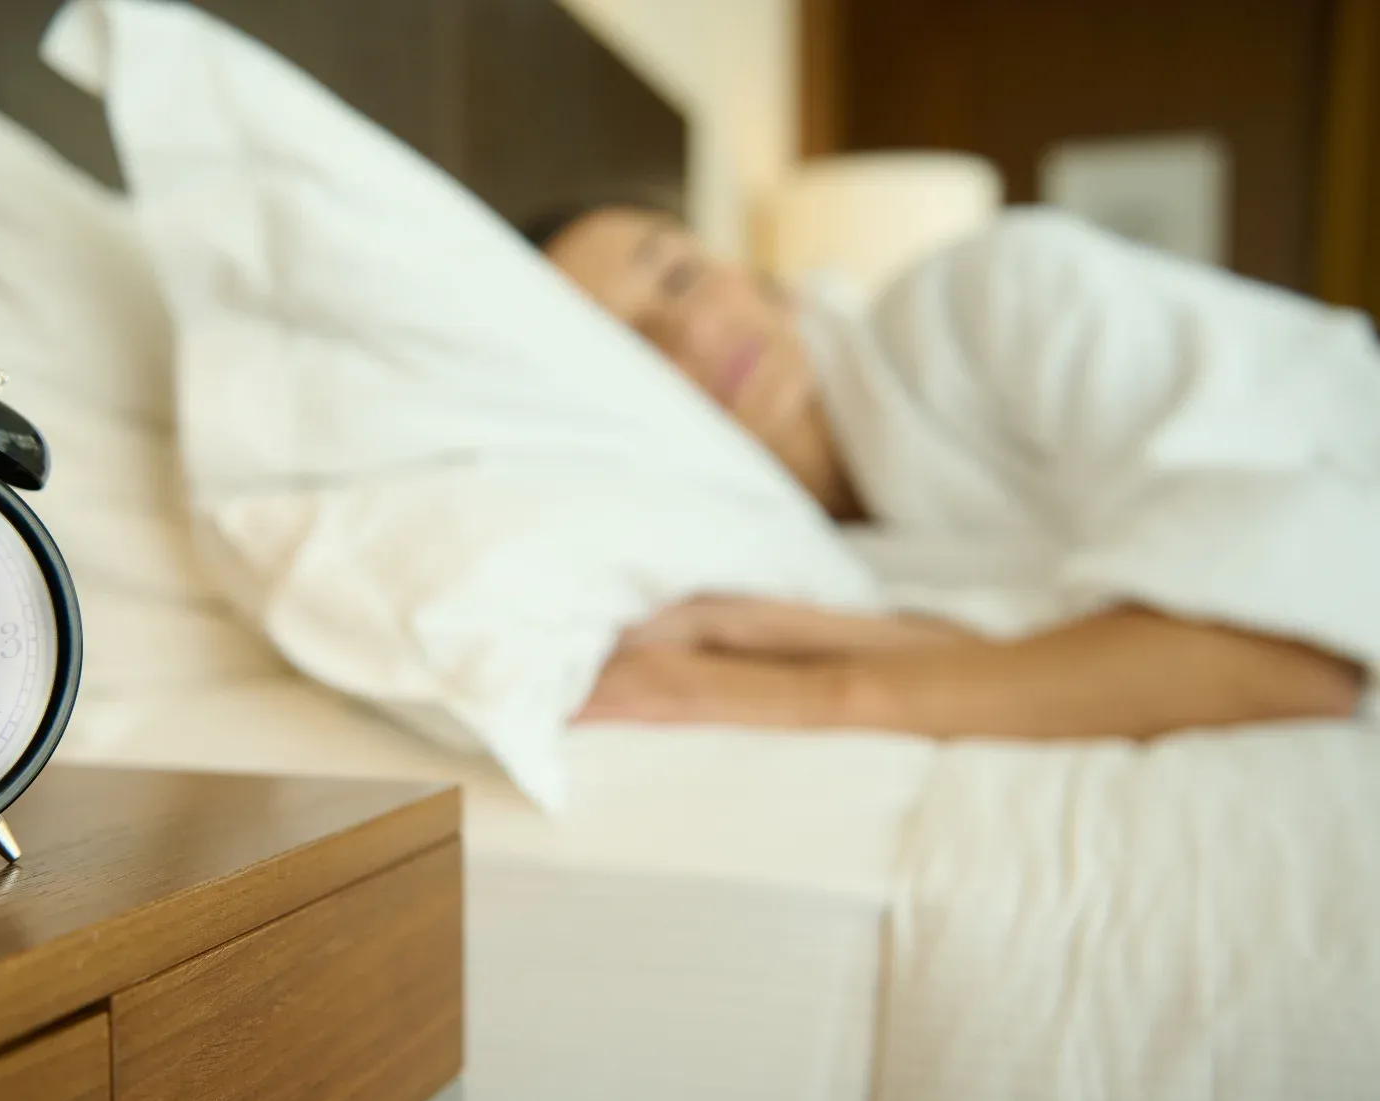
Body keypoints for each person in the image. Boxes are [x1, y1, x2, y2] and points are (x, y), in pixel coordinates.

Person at [529, 204, 1369, 735]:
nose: (689, 332)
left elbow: (1284, 644)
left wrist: (812, 694)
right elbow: (1059, 643)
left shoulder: (998, 293)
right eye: (627, 346)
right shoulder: (771, 552)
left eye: (681, 275)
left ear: (758, 280)